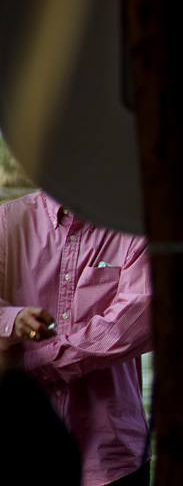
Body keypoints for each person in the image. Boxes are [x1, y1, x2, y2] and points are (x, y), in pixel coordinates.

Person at [0, 191, 153, 486]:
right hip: (18, 450)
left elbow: (134, 324)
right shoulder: (8, 222)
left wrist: (34, 364)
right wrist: (14, 320)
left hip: (111, 456)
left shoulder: (134, 228)